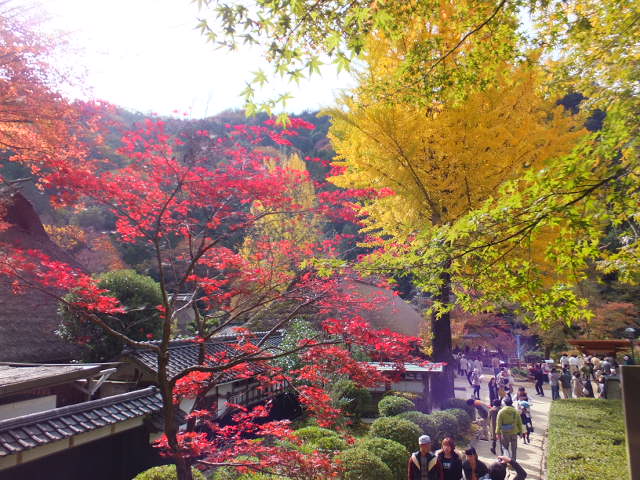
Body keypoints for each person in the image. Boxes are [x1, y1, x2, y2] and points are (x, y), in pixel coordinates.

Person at [496, 396, 523, 461]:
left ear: (504, 403)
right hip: (514, 433)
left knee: (504, 447)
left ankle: (504, 460)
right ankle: (513, 462)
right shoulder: (515, 411)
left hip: (505, 433)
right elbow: (519, 423)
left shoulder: (501, 412)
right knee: (514, 449)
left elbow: (498, 424)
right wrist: (521, 432)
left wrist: (497, 433)